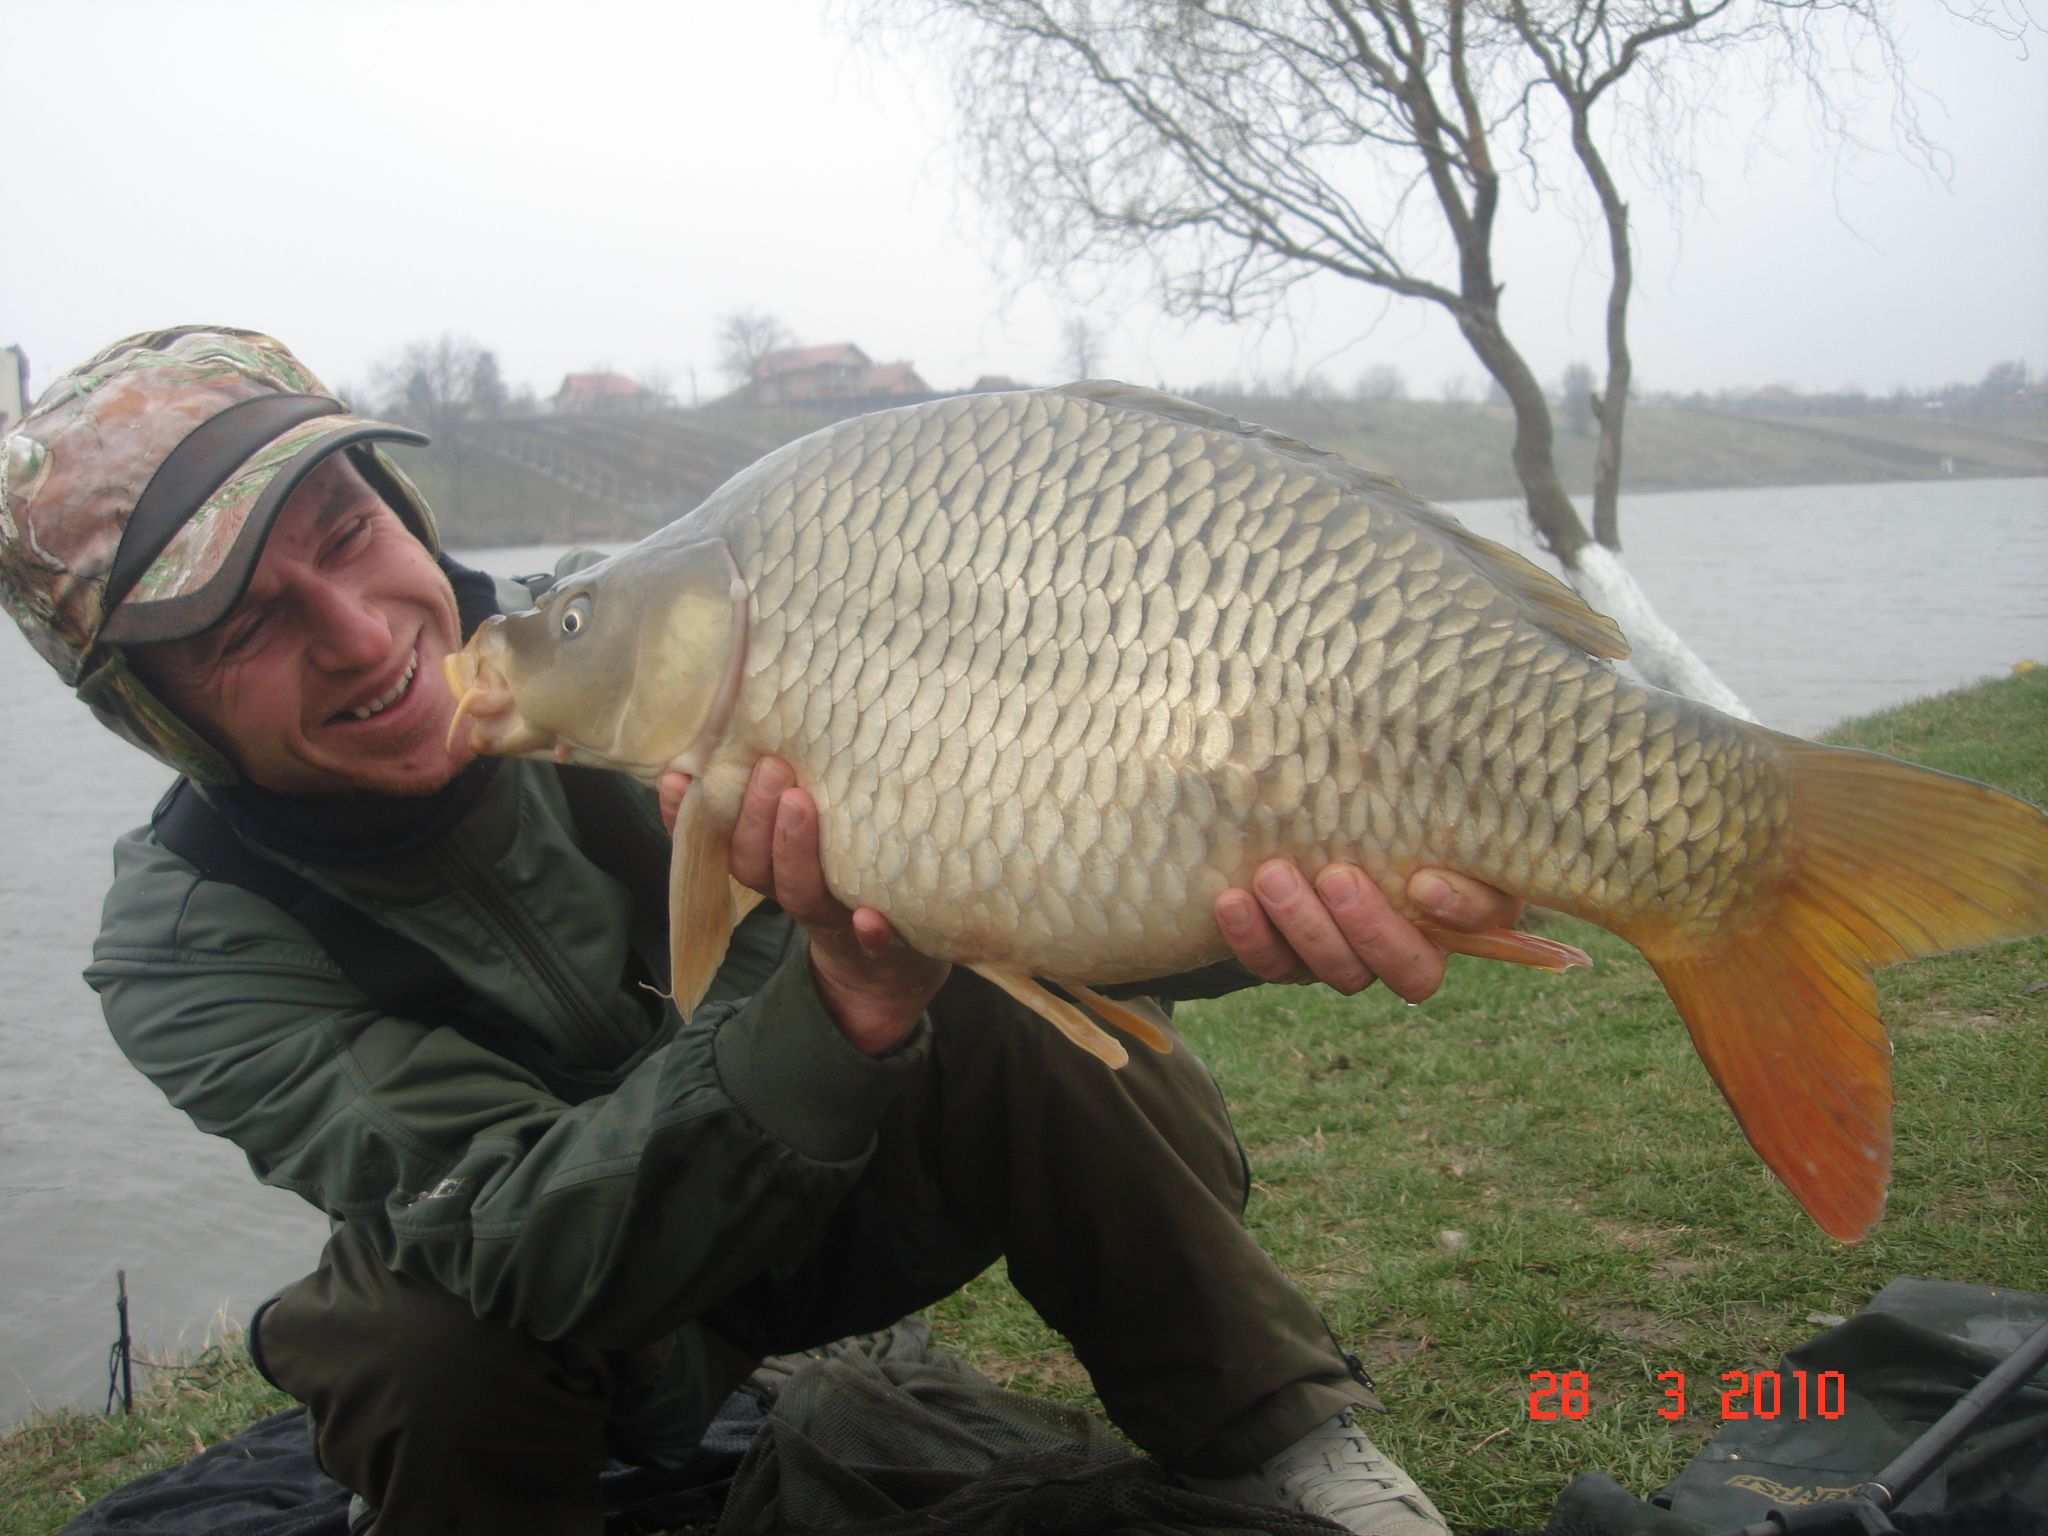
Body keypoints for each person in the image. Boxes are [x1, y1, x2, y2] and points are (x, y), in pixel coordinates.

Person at [0, 327, 1524, 1536]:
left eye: (347, 532)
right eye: (245, 630)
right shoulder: (190, 942)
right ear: (153, 714)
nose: (356, 634)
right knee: (413, 1338)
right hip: (587, 1317)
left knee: (985, 970)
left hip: (865, 1193)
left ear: (401, 511)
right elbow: (521, 1237)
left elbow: (1068, 848)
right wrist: (843, 999)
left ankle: (1275, 1439)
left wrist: (1252, 911)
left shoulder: (642, 642)